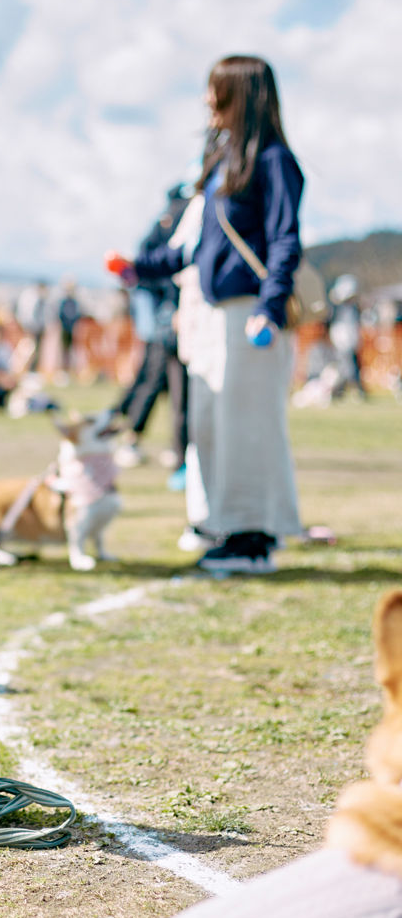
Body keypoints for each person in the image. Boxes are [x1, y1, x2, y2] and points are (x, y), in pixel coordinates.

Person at [120, 55, 304, 575]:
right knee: (211, 425)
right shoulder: (222, 160)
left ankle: (253, 538)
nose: (207, 100)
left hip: (249, 315)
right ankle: (226, 524)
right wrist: (137, 267)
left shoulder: (272, 161)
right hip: (211, 314)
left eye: (215, 90)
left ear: (239, 95)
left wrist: (269, 308)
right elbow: (193, 248)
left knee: (246, 426)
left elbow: (286, 240)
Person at [113, 185, 191, 483]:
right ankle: (144, 441)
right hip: (169, 315)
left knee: (160, 382)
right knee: (160, 382)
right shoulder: (176, 219)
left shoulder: (168, 219)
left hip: (171, 314)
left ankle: (174, 449)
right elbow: (165, 265)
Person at [328, 274, 366, 399]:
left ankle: (354, 390)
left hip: (351, 340)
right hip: (341, 341)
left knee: (352, 366)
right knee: (344, 367)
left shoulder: (354, 308)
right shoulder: (337, 307)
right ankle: (342, 390)